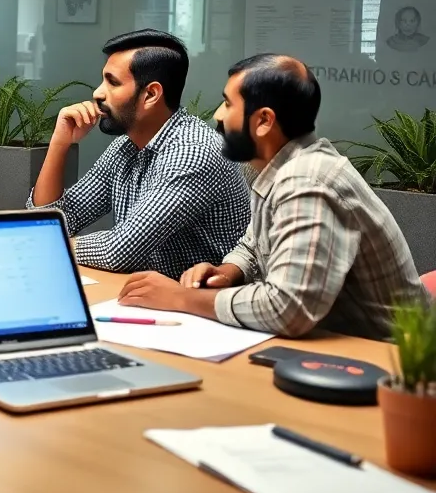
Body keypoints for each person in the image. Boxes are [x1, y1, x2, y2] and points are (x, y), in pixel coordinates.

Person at [118, 55, 424, 340]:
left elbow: (288, 309)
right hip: (334, 345)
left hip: (396, 364)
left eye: (228, 103)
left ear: (264, 120)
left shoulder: (308, 181)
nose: (218, 115)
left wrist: (182, 299)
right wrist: (228, 271)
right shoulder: (279, 166)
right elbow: (254, 244)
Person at [28, 29, 250, 277]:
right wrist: (60, 143)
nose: (97, 93)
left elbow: (120, 250)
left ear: (151, 95)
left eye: (112, 82)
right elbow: (54, 221)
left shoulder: (193, 152)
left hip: (197, 305)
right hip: (145, 295)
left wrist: (48, 243)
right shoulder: (126, 147)